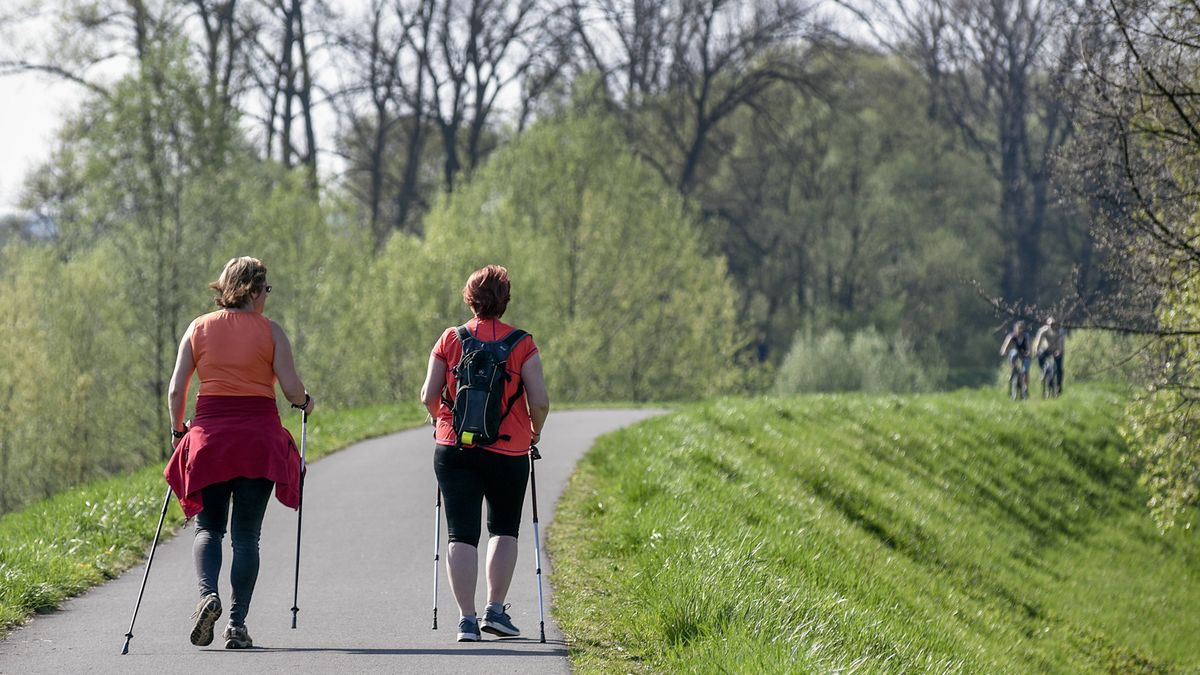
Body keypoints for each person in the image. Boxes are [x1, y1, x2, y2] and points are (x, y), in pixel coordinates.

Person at [164, 256, 316, 650]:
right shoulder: (271, 332)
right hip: (257, 442)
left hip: (210, 440)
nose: (267, 297)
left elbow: (177, 391)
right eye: (266, 290)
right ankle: (236, 625)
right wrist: (306, 403)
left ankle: (206, 596)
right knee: (247, 537)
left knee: (209, 528)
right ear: (252, 289)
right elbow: (291, 389)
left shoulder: (198, 328)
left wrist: (179, 431)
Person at [420, 264, 550, 643]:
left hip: (455, 446)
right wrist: (534, 431)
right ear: (505, 300)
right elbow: (539, 401)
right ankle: (495, 611)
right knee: (504, 528)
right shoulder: (522, 343)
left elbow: (428, 395)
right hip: (509, 450)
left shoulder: (450, 338)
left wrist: (437, 420)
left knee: (461, 533)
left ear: (470, 299)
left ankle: (466, 620)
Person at [999, 320, 1032, 398]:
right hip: (1016, 352)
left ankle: (1026, 389)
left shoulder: (1026, 336)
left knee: (1025, 371)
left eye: (1021, 328)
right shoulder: (1012, 336)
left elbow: (1029, 347)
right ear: (1015, 329)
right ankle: (1013, 371)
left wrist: (1029, 353)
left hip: (1024, 354)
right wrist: (1004, 351)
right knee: (1013, 354)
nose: (1020, 330)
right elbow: (1005, 346)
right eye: (1018, 328)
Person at [1034, 317, 1066, 394]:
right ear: (1047, 325)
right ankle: (1044, 370)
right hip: (1046, 350)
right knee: (1040, 356)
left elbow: (1061, 344)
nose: (1052, 326)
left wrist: (1059, 351)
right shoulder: (1043, 331)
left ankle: (1058, 385)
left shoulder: (1060, 332)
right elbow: (1038, 342)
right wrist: (1036, 351)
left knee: (1059, 369)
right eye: (1050, 325)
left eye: (1054, 324)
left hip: (1057, 350)